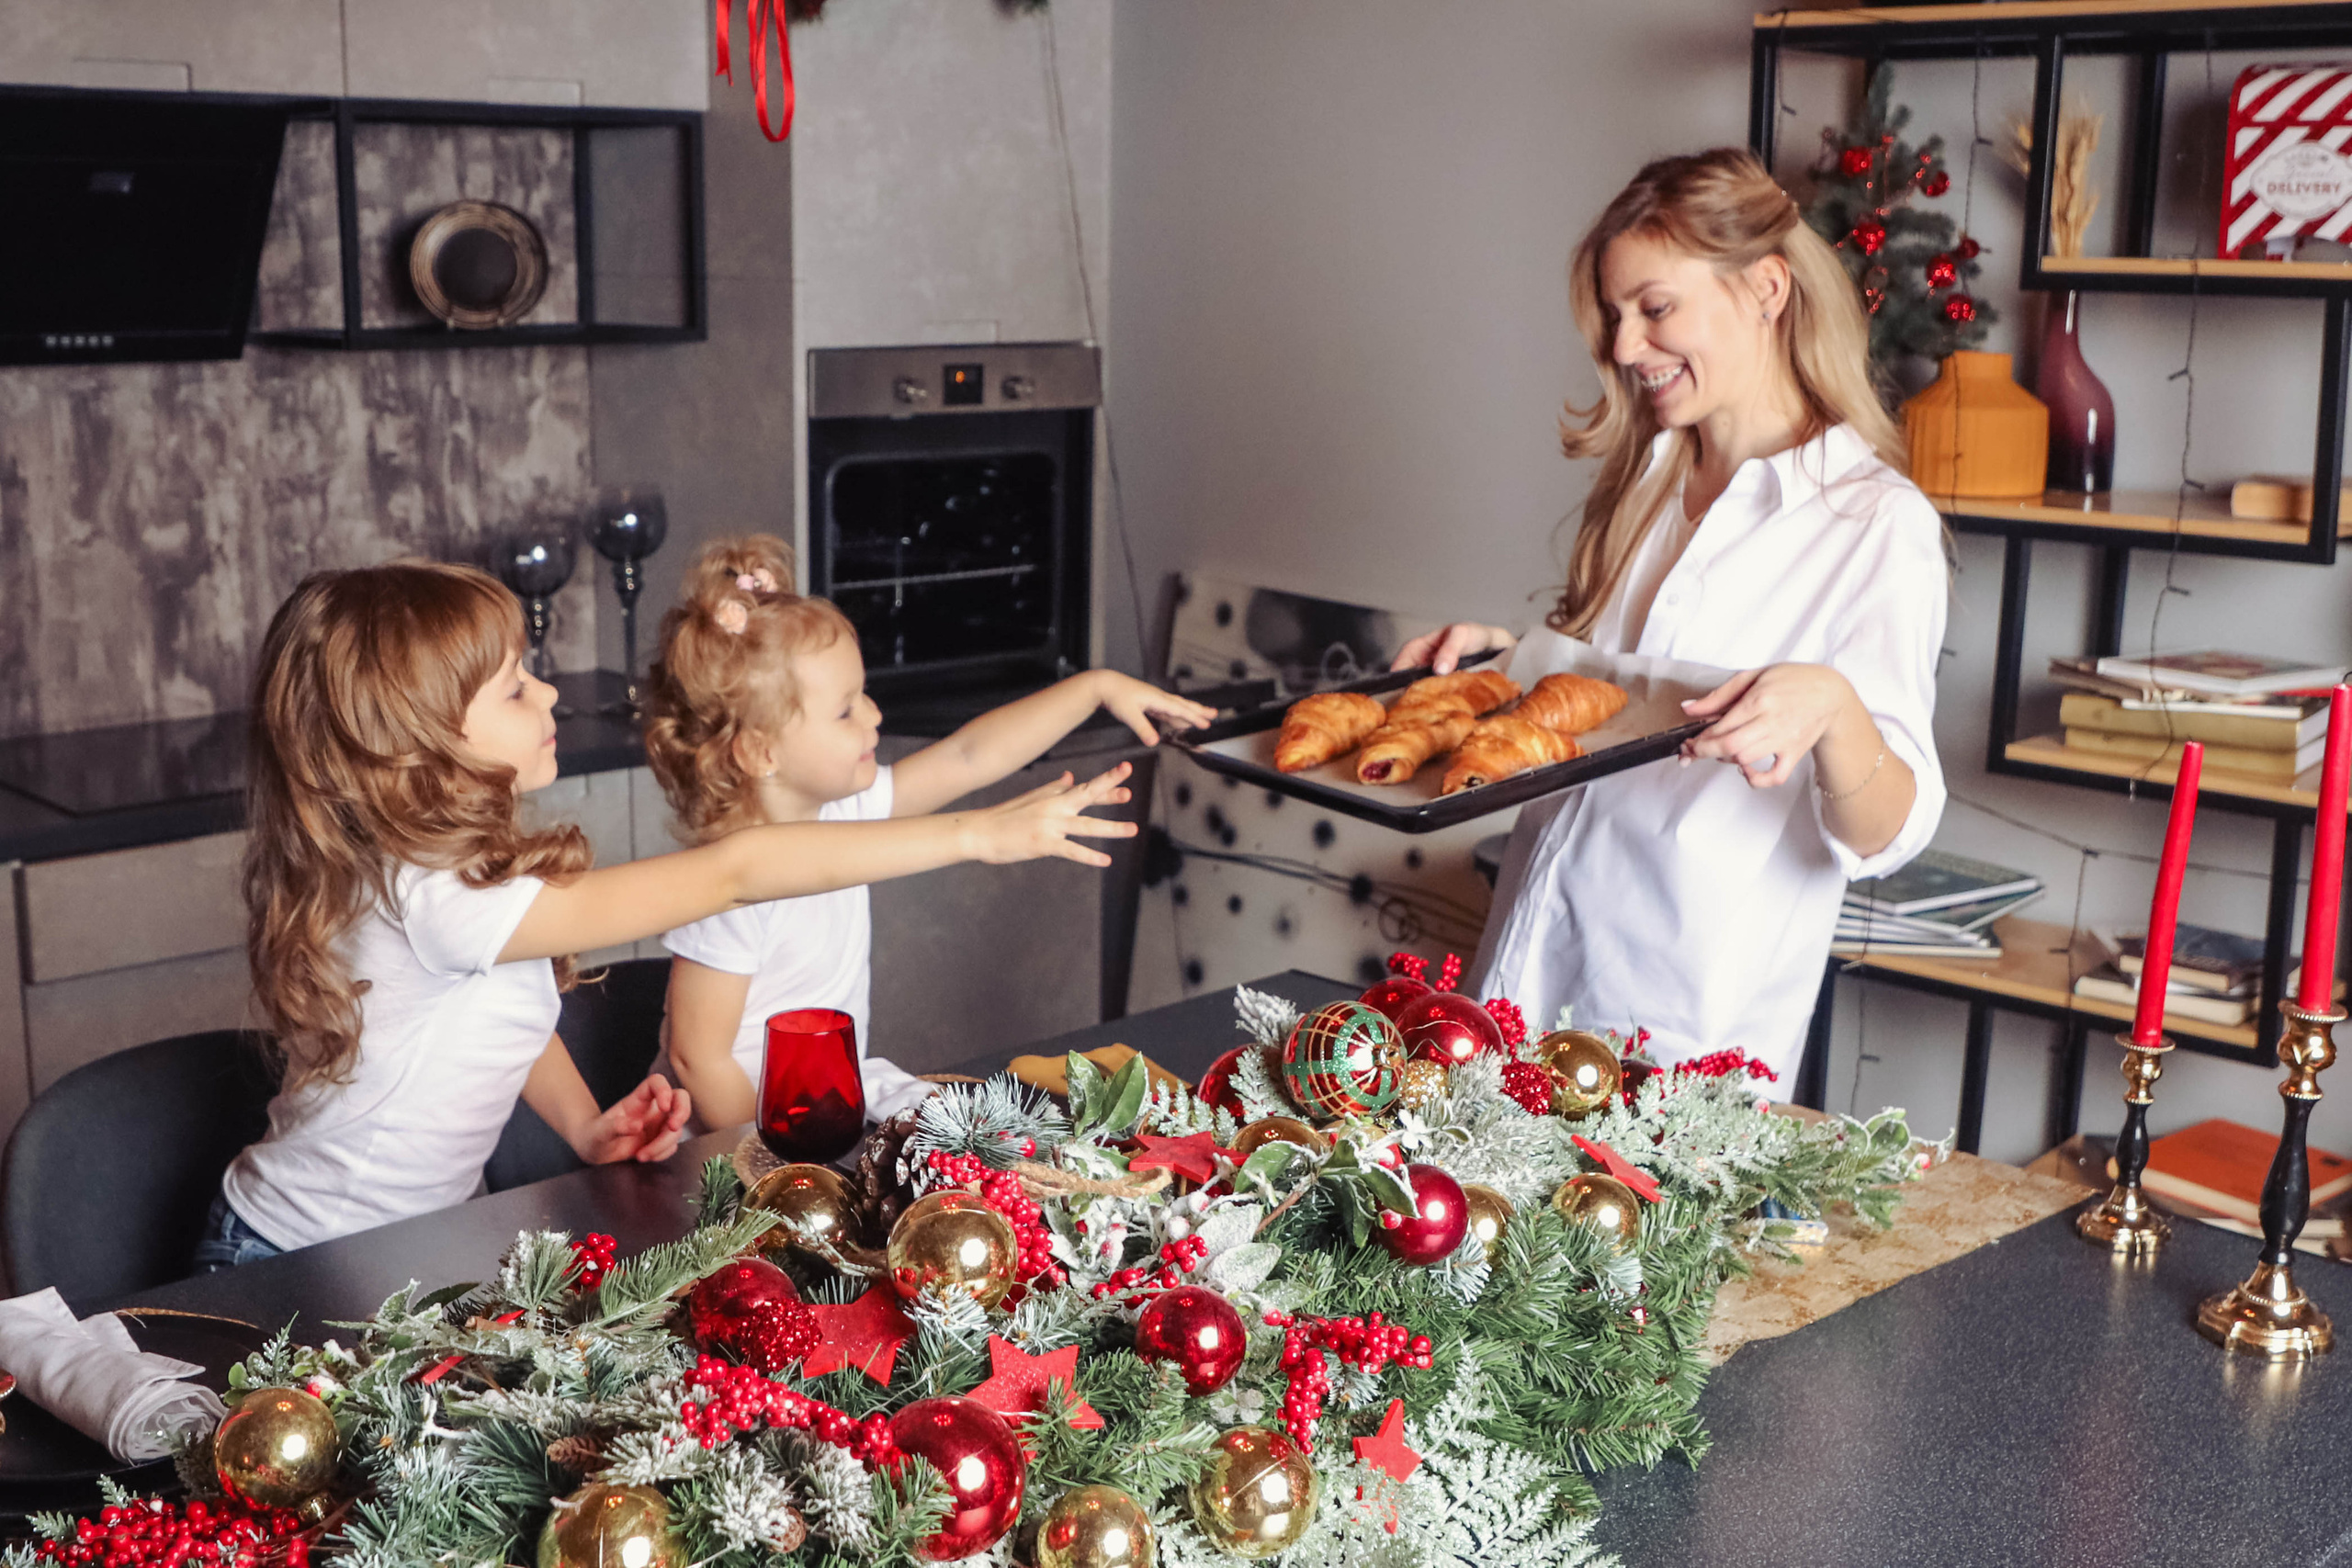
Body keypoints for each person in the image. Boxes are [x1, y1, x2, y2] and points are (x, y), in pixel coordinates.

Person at [200, 560, 1137, 1269]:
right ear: (420, 737)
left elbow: (496, 1019)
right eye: (517, 688)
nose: (554, 693)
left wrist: (584, 1129)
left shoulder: (455, 874)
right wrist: (975, 836)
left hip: (406, 1244)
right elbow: (735, 874)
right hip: (300, 1257)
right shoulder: (436, 897)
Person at [1397, 147, 1948, 1080]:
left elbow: (1887, 829)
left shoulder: (1874, 524)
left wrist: (1831, 708)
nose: (1621, 347)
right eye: (1615, 317)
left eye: (1653, 308)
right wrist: (1502, 666)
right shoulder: (1647, 477)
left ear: (1766, 287)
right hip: (1523, 977)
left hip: (1673, 1037)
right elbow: (1609, 700)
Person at [644, 536, 1215, 1132]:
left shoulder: (845, 809)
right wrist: (771, 1168)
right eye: (845, 710)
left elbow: (970, 755)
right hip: (726, 1147)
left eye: (862, 694)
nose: (874, 715)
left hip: (823, 1114)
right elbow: (698, 1055)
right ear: (761, 750)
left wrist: (1096, 687)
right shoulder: (724, 883)